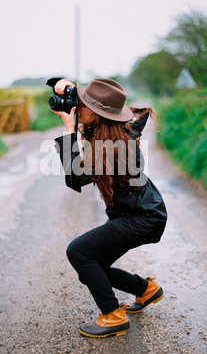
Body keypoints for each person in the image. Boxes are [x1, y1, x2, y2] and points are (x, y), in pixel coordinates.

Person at [50, 77, 167, 338]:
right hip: (139, 212)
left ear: (100, 114)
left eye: (82, 104)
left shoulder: (115, 147)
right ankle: (145, 289)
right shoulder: (112, 131)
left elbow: (75, 179)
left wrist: (70, 130)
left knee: (79, 252)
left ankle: (113, 316)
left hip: (141, 218)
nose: (77, 107)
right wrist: (67, 86)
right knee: (93, 268)